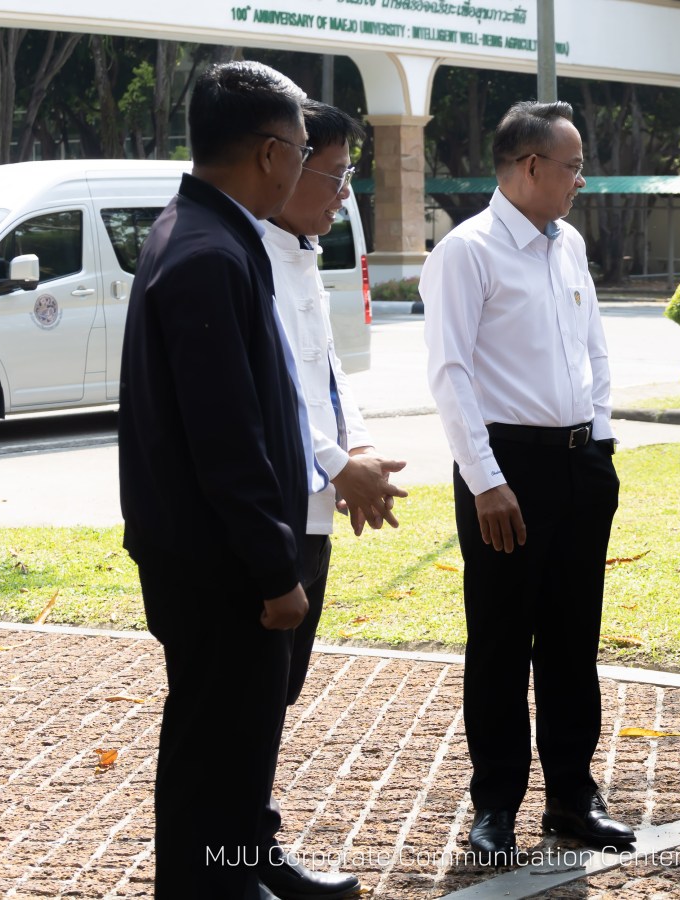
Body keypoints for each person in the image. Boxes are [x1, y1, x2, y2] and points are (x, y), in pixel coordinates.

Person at [421, 99, 634, 865]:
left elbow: (595, 352)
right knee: (503, 644)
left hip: (580, 463)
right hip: (505, 470)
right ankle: (495, 807)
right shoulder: (468, 252)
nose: (582, 179)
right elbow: (449, 374)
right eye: (573, 165)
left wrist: (601, 444)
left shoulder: (567, 244)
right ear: (531, 166)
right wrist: (485, 480)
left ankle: (573, 799)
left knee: (574, 641)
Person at [118, 61, 313, 900]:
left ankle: (244, 866)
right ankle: (213, 887)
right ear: (270, 152)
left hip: (211, 550)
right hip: (216, 562)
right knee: (213, 741)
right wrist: (275, 570)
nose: (306, 168)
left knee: (235, 739)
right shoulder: (206, 251)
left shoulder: (209, 233)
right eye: (303, 150)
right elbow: (225, 440)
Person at [258, 99, 408, 900]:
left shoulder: (300, 251)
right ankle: (237, 859)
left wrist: (354, 452)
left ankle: (251, 847)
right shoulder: (244, 255)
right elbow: (266, 396)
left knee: (276, 691)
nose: (344, 193)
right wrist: (333, 466)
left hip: (308, 503)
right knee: (244, 703)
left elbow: (324, 376)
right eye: (339, 173)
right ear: (280, 163)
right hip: (268, 508)